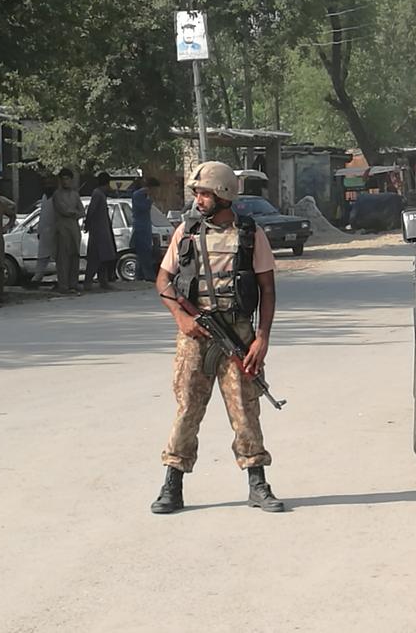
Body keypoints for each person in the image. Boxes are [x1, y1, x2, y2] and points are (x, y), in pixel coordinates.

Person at [150, 160, 283, 514]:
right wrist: (180, 317)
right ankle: (172, 485)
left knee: (245, 408)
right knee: (187, 408)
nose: (199, 199)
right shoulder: (187, 231)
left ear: (224, 194)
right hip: (195, 333)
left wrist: (262, 339)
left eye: (204, 193)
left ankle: (257, 483)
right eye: (197, 193)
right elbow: (163, 281)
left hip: (237, 332)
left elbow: (267, 290)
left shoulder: (250, 234)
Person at [52, 168, 85, 295]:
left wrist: (74, 212)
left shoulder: (75, 194)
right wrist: (74, 212)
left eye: (68, 179)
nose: (66, 182)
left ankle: (74, 283)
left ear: (71, 180)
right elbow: (64, 210)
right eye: (63, 179)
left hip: (74, 229)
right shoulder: (57, 195)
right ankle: (63, 285)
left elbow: (82, 211)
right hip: (62, 229)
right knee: (63, 258)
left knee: (75, 256)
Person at [84, 172, 117, 289]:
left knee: (104, 258)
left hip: (103, 230)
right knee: (95, 257)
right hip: (98, 232)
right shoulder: (97, 194)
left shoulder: (101, 194)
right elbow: (91, 210)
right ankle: (88, 282)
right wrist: (87, 224)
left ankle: (103, 281)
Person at [131, 177, 161, 281]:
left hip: (146, 226)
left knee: (145, 252)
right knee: (144, 252)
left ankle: (140, 275)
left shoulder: (144, 195)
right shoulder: (138, 195)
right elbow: (143, 208)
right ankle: (148, 275)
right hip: (140, 227)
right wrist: (149, 199)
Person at [29, 177, 58, 287]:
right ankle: (36, 279)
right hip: (44, 233)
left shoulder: (57, 197)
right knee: (42, 258)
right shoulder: (45, 197)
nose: (47, 186)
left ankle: (62, 280)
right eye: (45, 184)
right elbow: (42, 216)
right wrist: (39, 230)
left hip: (56, 233)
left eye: (50, 183)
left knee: (58, 259)